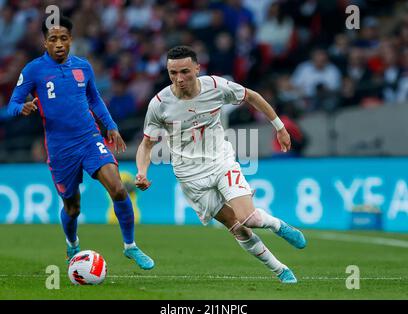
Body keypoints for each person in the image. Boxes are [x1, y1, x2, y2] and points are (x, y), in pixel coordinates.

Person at [135, 45, 306, 283]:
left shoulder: (216, 86)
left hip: (220, 162)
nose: (179, 79)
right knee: (237, 228)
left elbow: (252, 96)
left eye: (184, 71)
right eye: (173, 73)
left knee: (251, 219)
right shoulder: (159, 103)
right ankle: (280, 269)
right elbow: (146, 145)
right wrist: (142, 172)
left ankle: (278, 226)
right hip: (190, 177)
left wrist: (280, 127)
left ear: (197, 68)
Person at [7, 16, 154, 270]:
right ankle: (72, 241)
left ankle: (130, 246)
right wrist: (23, 108)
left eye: (64, 38)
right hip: (60, 149)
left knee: (118, 188)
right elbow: (11, 106)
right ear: (45, 43)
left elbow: (94, 99)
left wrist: (111, 126)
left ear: (71, 40)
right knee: (72, 207)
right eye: (53, 39)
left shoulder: (83, 67)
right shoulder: (33, 70)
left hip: (89, 138)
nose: (59, 44)